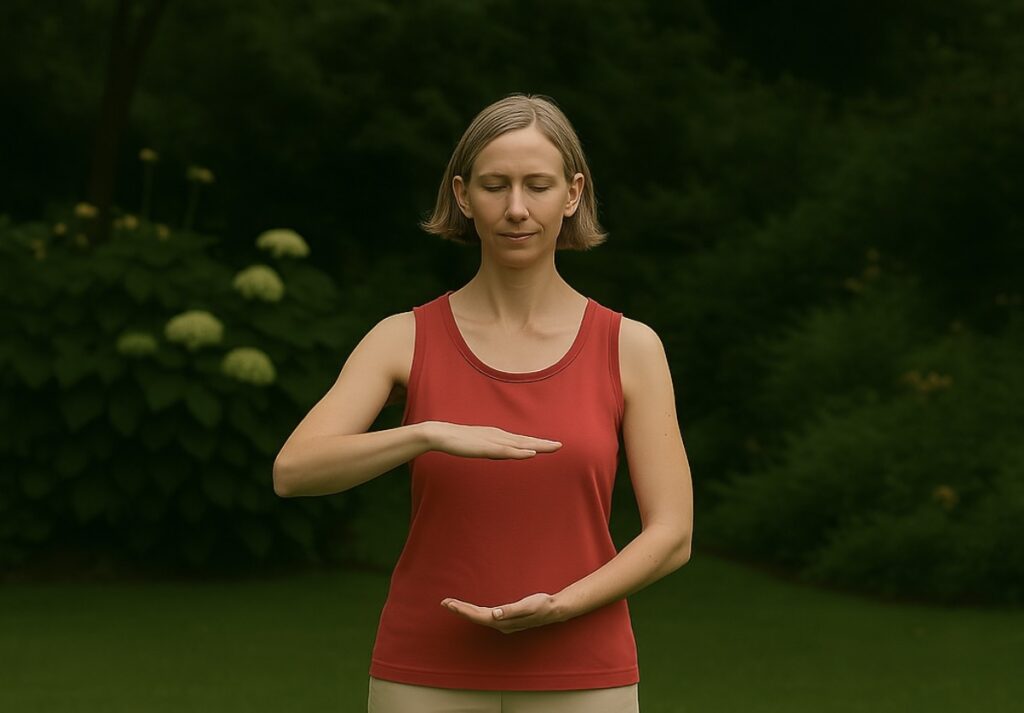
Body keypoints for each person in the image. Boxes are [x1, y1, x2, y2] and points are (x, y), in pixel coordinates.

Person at [273, 92, 693, 713]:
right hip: (424, 669)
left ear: (572, 194)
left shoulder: (630, 347)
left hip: (583, 670)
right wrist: (425, 433)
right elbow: (293, 471)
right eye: (495, 186)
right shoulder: (402, 337)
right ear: (463, 195)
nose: (516, 208)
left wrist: (562, 606)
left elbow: (673, 534)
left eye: (537, 186)